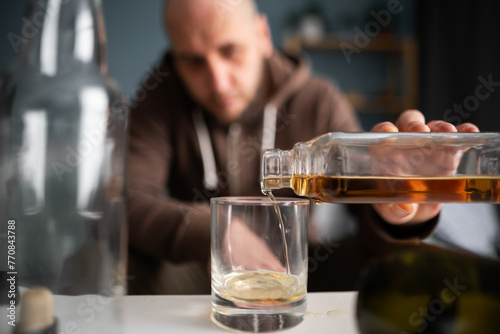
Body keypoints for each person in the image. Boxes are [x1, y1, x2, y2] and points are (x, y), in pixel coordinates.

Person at [126, 0, 479, 294]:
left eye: (230, 50)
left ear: (263, 36)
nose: (218, 81)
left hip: (304, 271)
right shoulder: (159, 99)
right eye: (193, 60)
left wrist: (398, 219)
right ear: (174, 55)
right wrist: (215, 232)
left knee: (389, 267)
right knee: (126, 257)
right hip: (203, 270)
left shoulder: (318, 100)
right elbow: (126, 200)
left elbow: (372, 215)